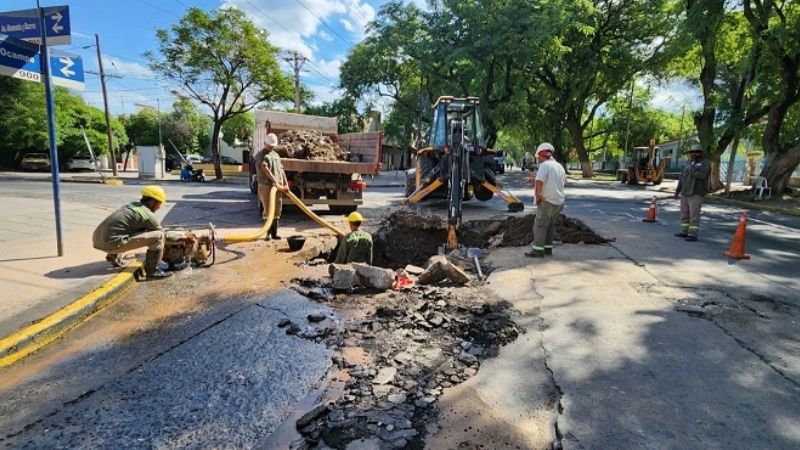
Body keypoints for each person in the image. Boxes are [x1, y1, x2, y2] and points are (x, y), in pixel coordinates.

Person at [92, 185, 171, 279]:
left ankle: (113, 256)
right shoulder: (146, 214)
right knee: (158, 236)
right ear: (154, 202)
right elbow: (163, 234)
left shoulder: (132, 206)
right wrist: (183, 237)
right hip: (110, 243)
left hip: (97, 240)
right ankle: (153, 271)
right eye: (159, 204)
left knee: (132, 230)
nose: (159, 207)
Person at [526, 142, 567, 258]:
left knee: (539, 225)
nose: (538, 159)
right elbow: (556, 183)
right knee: (549, 225)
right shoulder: (559, 166)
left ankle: (538, 251)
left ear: (542, 154)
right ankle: (548, 249)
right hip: (559, 202)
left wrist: (538, 196)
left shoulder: (544, 166)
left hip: (547, 201)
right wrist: (535, 182)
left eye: (538, 157)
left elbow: (540, 182)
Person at [674, 143, 711, 242]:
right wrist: (677, 191)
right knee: (684, 214)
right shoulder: (687, 163)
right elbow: (682, 178)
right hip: (685, 192)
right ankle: (684, 231)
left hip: (696, 192)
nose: (694, 153)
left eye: (697, 152)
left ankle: (692, 234)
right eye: (692, 152)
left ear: (701, 153)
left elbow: (702, 176)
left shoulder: (705, 163)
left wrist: (692, 168)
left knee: (694, 214)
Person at [254, 133, 288, 240]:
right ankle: (267, 234)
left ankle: (274, 233)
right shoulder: (261, 155)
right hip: (266, 185)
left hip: (277, 186)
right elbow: (265, 169)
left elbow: (281, 170)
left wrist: (285, 183)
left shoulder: (276, 155)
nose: (271, 147)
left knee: (277, 208)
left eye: (272, 146)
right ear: (265, 144)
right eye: (269, 145)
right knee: (268, 209)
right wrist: (275, 181)